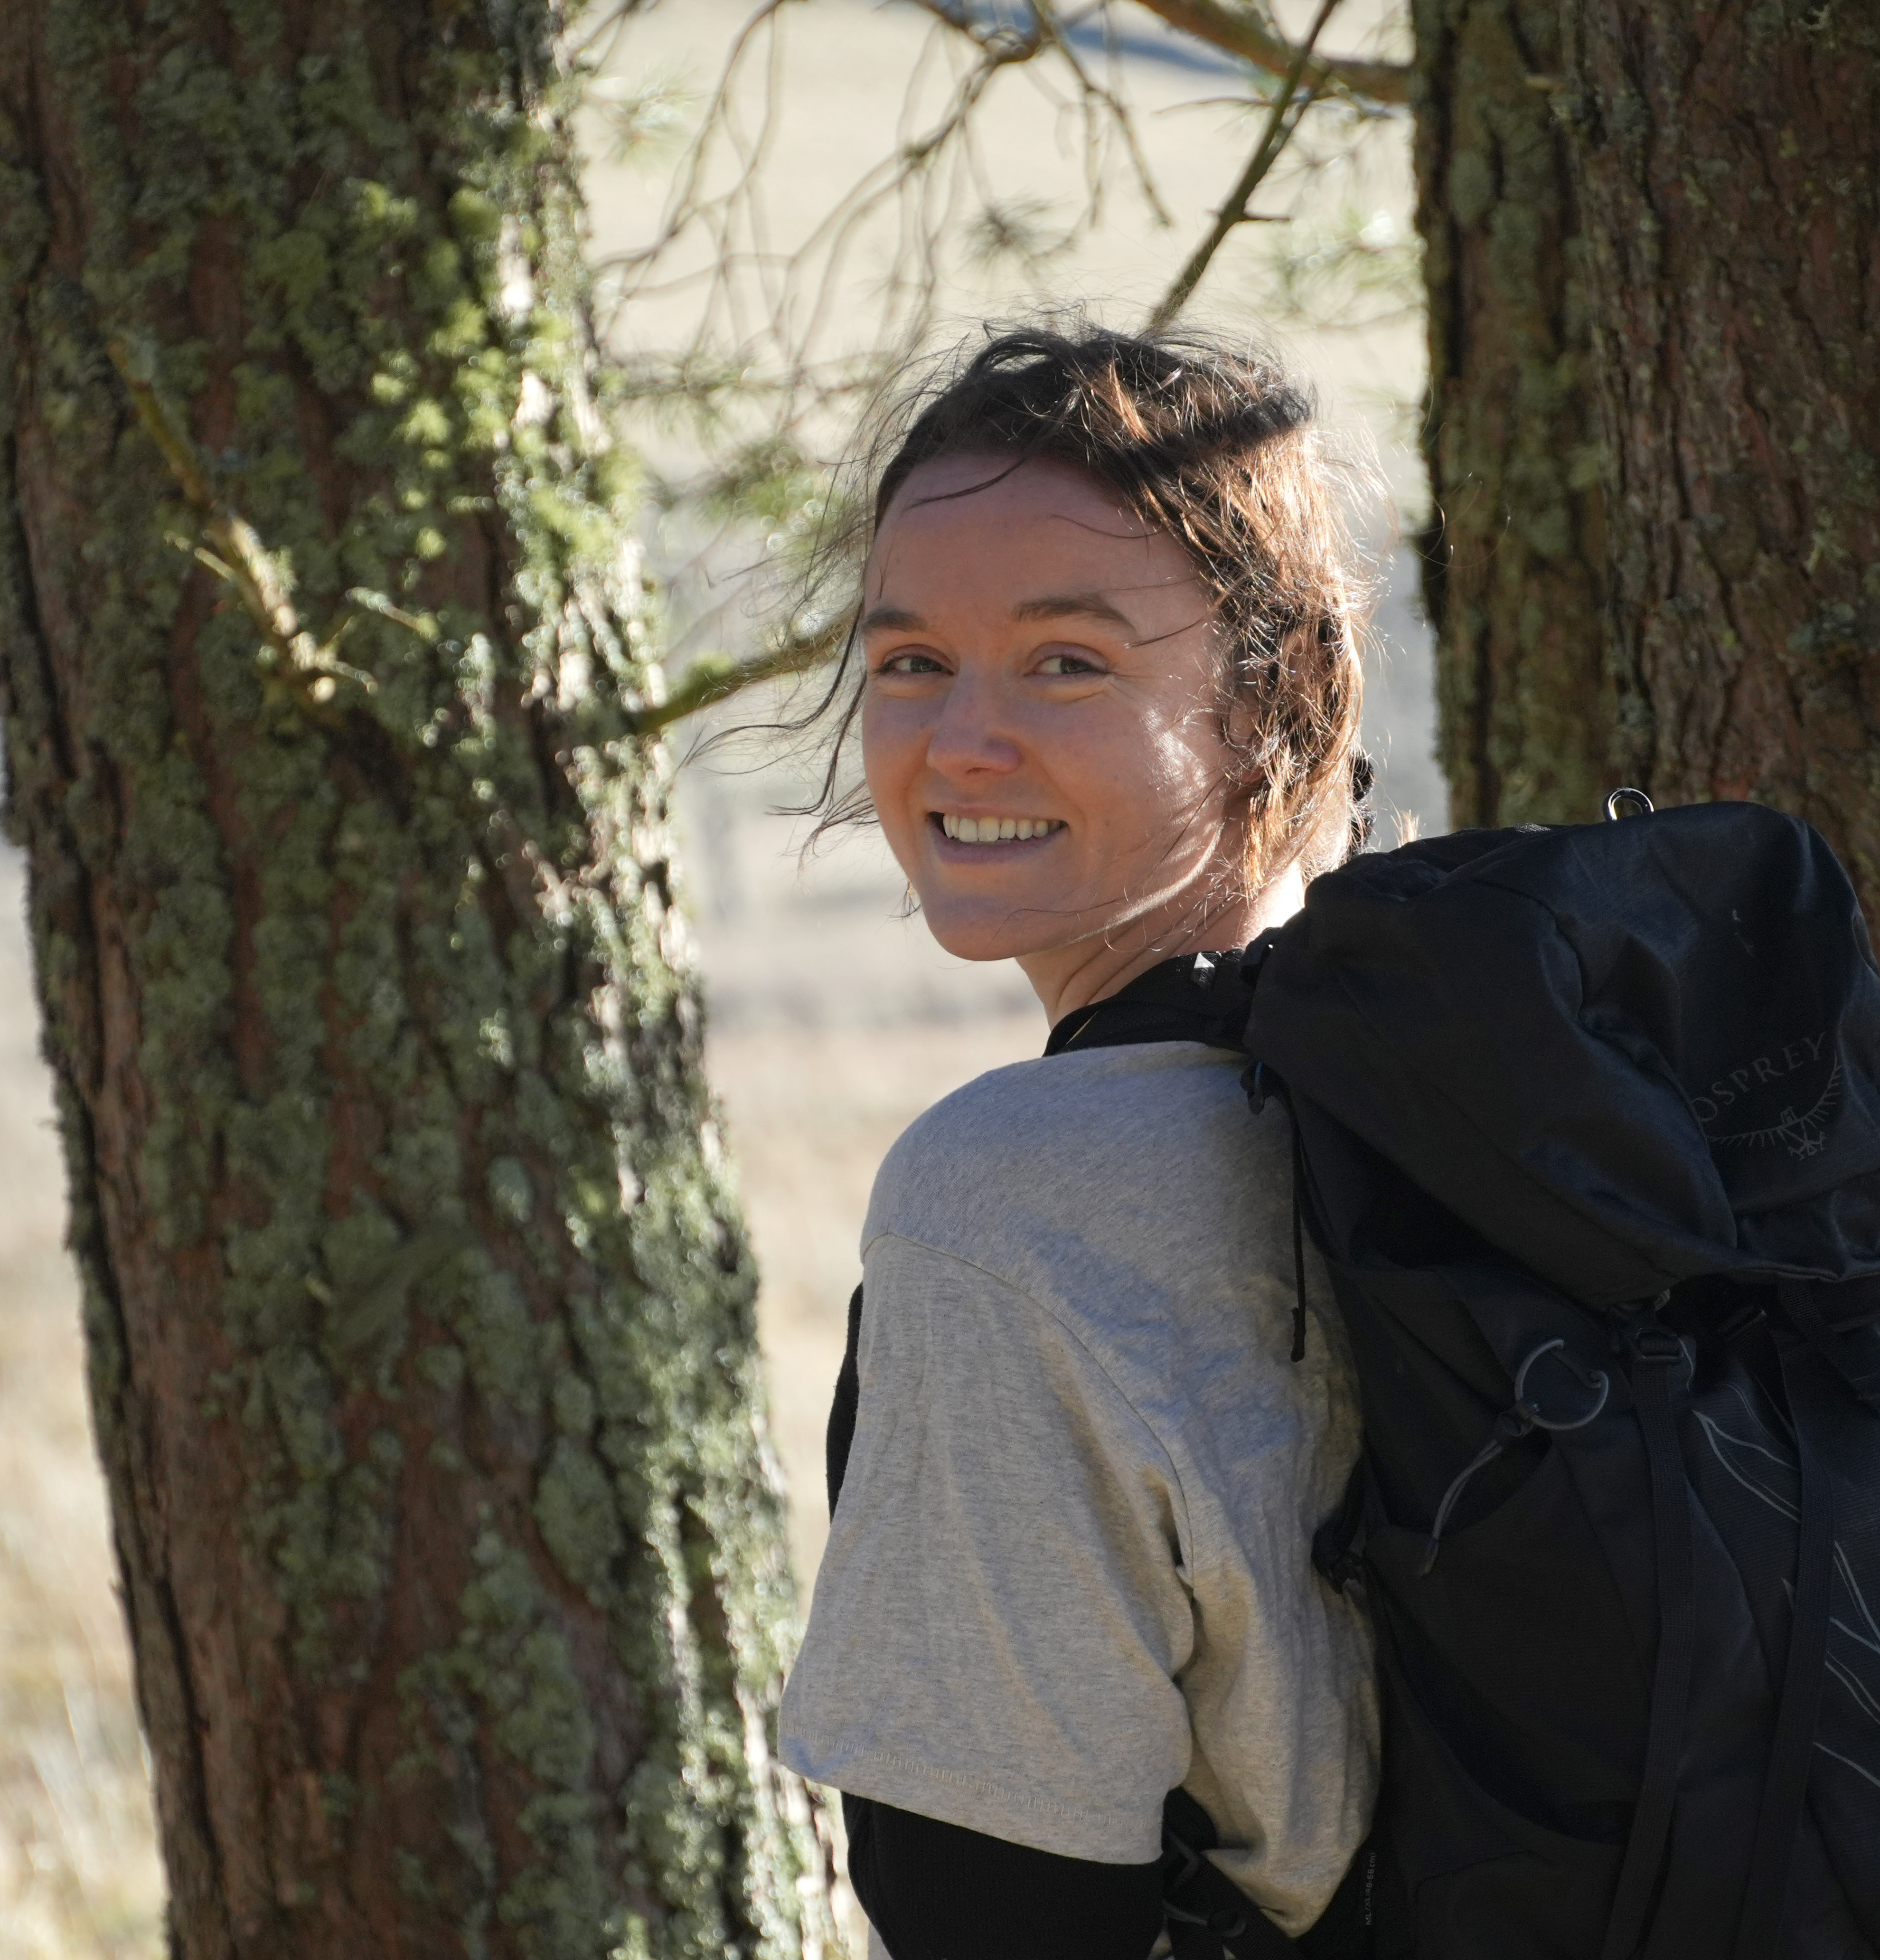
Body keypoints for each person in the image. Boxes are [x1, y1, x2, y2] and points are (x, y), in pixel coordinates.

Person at [773, 321, 1382, 1959]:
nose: (959, 740)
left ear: (1275, 694)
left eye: (1067, 662)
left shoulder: (1005, 1208)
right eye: (912, 661)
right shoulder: (1477, 1078)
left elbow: (992, 1908)